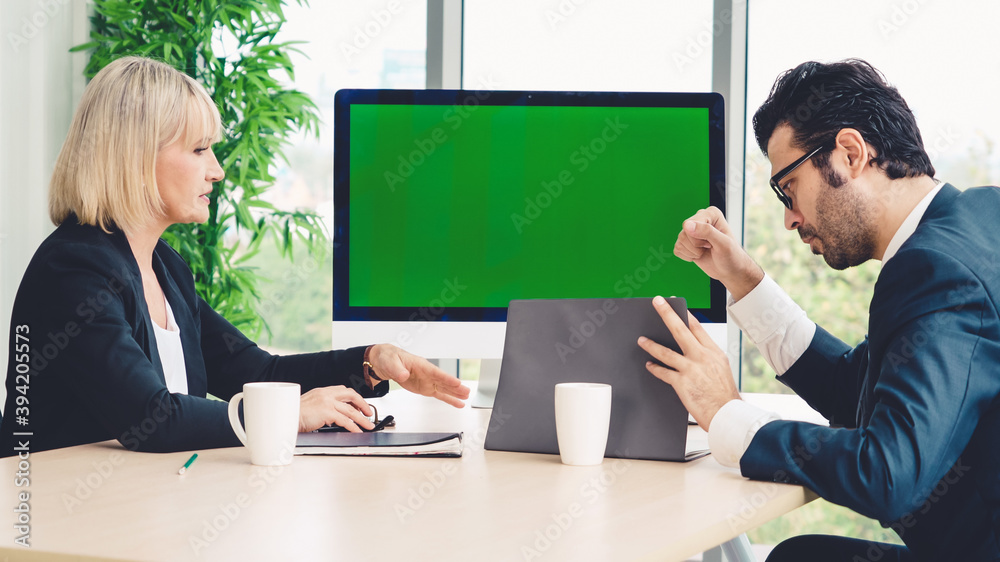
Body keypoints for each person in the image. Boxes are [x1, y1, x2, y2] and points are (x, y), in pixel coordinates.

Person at [0, 56, 469, 456]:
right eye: (200, 149)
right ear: (136, 157)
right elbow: (150, 417)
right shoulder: (73, 270)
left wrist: (371, 360)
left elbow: (259, 372)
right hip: (63, 524)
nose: (217, 170)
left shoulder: (165, 268)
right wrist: (288, 416)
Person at [638, 59, 1000, 560]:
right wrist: (741, 279)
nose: (789, 219)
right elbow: (860, 388)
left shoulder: (933, 271)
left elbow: (887, 474)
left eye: (788, 188)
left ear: (850, 153)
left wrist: (727, 415)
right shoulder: (981, 216)